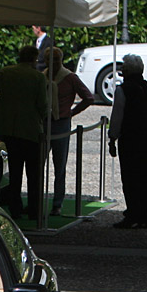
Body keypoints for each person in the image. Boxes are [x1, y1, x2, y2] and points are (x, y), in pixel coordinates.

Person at [0, 45, 48, 220]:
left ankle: (15, 208)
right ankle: (34, 209)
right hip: (31, 129)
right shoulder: (37, 77)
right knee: (34, 173)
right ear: (34, 58)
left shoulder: (6, 73)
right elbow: (43, 104)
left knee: (15, 171)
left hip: (9, 128)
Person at [108, 54, 147, 229]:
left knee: (130, 177)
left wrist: (112, 138)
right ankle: (143, 214)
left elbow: (117, 116)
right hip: (146, 139)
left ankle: (132, 213)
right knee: (145, 177)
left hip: (130, 138)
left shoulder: (123, 90)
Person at [43, 46, 94, 216]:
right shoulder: (41, 77)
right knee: (38, 165)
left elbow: (88, 97)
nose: (54, 63)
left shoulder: (70, 77)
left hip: (61, 123)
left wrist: (72, 112)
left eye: (56, 60)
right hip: (44, 123)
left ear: (61, 60)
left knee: (60, 166)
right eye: (50, 60)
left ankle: (57, 203)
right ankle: (37, 201)